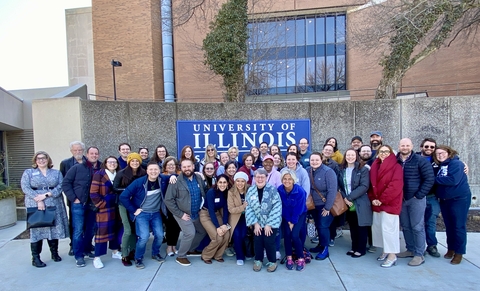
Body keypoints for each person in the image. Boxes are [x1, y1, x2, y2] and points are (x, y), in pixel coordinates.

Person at [21, 151, 69, 268]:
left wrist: (47, 195)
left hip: (53, 202)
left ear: (48, 160)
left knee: (53, 228)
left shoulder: (56, 173)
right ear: (35, 160)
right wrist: (39, 199)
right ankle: (36, 257)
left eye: (44, 158)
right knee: (37, 229)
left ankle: (54, 253)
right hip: (35, 203)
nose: (41, 160)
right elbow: (25, 187)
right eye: (39, 158)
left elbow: (61, 186)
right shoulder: (29, 173)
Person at [119, 162, 166, 269]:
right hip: (142, 214)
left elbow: (174, 176)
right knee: (144, 237)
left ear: (159, 171)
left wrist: (173, 176)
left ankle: (155, 253)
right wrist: (133, 210)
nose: (153, 172)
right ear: (147, 171)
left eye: (156, 169)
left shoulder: (162, 180)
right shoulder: (139, 182)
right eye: (151, 169)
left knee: (159, 235)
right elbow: (123, 196)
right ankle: (138, 258)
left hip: (155, 213)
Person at [396, 138, 434, 267]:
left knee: (417, 227)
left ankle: (419, 254)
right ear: (399, 146)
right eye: (402, 145)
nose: (405, 147)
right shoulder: (395, 160)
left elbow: (429, 179)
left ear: (412, 146)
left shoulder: (420, 160)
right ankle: (410, 249)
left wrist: (419, 195)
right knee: (405, 226)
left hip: (415, 199)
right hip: (401, 199)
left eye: (407, 145)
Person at [62, 146, 101, 268]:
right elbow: (65, 183)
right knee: (78, 230)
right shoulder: (77, 168)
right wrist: (74, 198)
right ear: (87, 154)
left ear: (98, 155)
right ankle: (78, 255)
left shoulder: (101, 168)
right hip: (79, 204)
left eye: (96, 153)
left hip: (94, 204)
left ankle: (87, 249)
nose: (94, 155)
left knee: (91, 229)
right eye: (91, 153)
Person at [165, 159, 207, 267]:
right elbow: (168, 200)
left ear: (193, 166)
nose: (187, 169)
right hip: (183, 213)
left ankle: (190, 249)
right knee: (190, 233)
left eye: (189, 166)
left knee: (202, 231)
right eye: (184, 167)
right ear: (181, 168)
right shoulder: (175, 181)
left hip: (196, 212)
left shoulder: (198, 178)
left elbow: (204, 191)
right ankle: (181, 256)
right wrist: (180, 214)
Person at [433, 145, 472, 265]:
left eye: (443, 153)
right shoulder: (440, 166)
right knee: (449, 225)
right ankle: (451, 248)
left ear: (449, 152)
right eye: (438, 154)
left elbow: (452, 180)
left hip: (459, 199)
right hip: (445, 200)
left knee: (458, 226)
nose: (440, 155)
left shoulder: (456, 164)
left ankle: (459, 253)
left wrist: (433, 179)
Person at [368, 145, 403, 268]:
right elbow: (371, 184)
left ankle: (392, 255)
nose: (383, 153)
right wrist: (373, 199)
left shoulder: (396, 167)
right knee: (378, 228)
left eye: (386, 151)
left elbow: (395, 186)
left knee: (389, 230)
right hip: (377, 203)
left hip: (389, 203)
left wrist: (381, 200)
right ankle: (385, 250)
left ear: (391, 153)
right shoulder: (375, 166)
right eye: (381, 151)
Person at [113, 152, 146, 266]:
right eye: (132, 161)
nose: (135, 163)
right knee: (127, 229)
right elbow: (115, 188)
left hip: (136, 204)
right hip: (123, 204)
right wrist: (128, 190)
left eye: (137, 161)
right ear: (129, 162)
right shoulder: (121, 173)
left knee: (134, 229)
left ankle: (132, 251)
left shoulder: (143, 173)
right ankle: (124, 254)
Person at [246, 168, 282, 273]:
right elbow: (249, 208)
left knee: (269, 241)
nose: (260, 179)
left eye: (262, 177)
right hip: (257, 221)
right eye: (257, 177)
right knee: (257, 241)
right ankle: (258, 260)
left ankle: (272, 261)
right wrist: (255, 223)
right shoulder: (251, 190)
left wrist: (269, 224)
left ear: (266, 178)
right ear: (254, 178)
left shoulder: (272, 189)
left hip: (270, 222)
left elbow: (277, 206)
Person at [89, 156, 122, 269]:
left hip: (117, 207)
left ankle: (115, 251)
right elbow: (93, 193)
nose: (112, 164)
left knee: (115, 230)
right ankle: (97, 257)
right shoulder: (100, 174)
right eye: (110, 162)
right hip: (105, 208)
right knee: (102, 232)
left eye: (114, 162)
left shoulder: (119, 174)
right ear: (105, 163)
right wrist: (102, 205)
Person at [338, 149, 371, 258]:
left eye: (352, 155)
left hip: (360, 201)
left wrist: (349, 197)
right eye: (348, 155)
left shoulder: (363, 169)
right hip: (347, 203)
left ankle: (361, 249)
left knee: (360, 226)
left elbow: (364, 186)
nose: (350, 157)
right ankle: (354, 247)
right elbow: (339, 186)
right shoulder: (342, 169)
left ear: (356, 156)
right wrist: (344, 198)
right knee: (352, 226)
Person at [307, 152, 337, 260]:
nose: (314, 162)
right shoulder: (308, 170)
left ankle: (325, 249)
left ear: (321, 160)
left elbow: (332, 190)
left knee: (323, 226)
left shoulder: (328, 172)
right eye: (312, 160)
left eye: (316, 160)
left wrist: (328, 207)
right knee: (318, 226)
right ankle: (320, 245)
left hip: (324, 205)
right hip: (313, 205)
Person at [59, 141, 87, 256]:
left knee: (88, 223)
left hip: (88, 200)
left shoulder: (89, 162)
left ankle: (86, 244)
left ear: (83, 150)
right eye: (75, 150)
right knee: (75, 224)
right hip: (74, 200)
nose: (78, 152)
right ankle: (73, 246)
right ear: (71, 151)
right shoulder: (65, 163)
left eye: (80, 150)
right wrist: (73, 198)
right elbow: (64, 182)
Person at [278, 169, 307, 271]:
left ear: (293, 180)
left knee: (294, 235)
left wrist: (293, 221)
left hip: (299, 214)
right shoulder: (280, 190)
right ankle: (289, 257)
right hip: (286, 215)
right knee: (287, 235)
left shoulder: (300, 191)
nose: (287, 181)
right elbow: (281, 206)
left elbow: (299, 208)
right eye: (285, 179)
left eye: (289, 179)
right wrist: (288, 220)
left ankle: (300, 258)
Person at [200, 174, 231, 264]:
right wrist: (218, 227)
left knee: (226, 234)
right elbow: (211, 210)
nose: (222, 184)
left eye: (224, 182)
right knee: (217, 237)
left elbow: (225, 210)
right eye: (220, 182)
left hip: (217, 214)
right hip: (206, 214)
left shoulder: (226, 192)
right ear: (217, 183)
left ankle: (218, 255)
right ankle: (206, 255)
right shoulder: (211, 192)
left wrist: (224, 224)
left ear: (227, 183)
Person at [418, 138, 441, 257]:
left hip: (431, 197)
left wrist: (463, 164)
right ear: (421, 147)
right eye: (426, 146)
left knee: (430, 222)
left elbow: (452, 160)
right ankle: (418, 247)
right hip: (416, 197)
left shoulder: (438, 160)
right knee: (417, 223)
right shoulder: (414, 158)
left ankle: (432, 246)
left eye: (432, 147)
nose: (429, 149)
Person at [159, 156, 181, 257]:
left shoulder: (179, 175)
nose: (171, 166)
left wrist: (174, 176)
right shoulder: (161, 176)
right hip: (165, 206)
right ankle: (169, 246)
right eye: (169, 165)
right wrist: (171, 177)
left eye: (173, 164)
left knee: (176, 226)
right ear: (165, 166)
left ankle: (174, 246)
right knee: (169, 226)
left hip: (177, 206)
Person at [227, 172, 250, 266]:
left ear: (245, 182)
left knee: (244, 235)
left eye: (242, 181)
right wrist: (243, 206)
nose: (240, 183)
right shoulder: (231, 192)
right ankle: (239, 257)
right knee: (236, 235)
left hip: (247, 217)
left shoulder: (250, 190)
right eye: (238, 181)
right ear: (235, 181)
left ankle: (247, 253)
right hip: (236, 217)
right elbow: (231, 209)